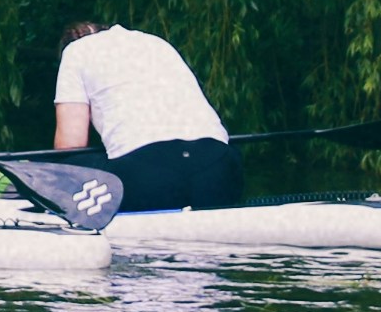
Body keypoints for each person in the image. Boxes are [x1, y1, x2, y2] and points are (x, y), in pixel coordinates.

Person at [50, 18, 243, 212]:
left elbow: (70, 144)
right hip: (220, 164)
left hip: (148, 176)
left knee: (70, 164)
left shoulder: (75, 51)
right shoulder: (155, 42)